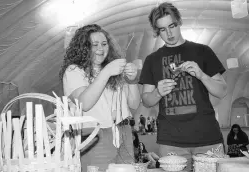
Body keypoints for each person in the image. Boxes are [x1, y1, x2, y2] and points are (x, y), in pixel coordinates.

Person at [139, 2, 227, 171]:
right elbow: (146, 100)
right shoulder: (152, 60)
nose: (169, 33)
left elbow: (222, 91)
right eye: (163, 29)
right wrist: (158, 92)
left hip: (208, 137)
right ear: (157, 32)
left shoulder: (202, 51)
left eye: (171, 26)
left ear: (179, 22)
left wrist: (201, 75)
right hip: (171, 142)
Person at [60, 24, 140, 171]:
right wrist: (107, 72)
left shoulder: (115, 69)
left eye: (104, 44)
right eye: (94, 45)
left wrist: (132, 80)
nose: (100, 49)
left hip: (123, 131)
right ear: (83, 47)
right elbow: (84, 103)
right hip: (94, 135)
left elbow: (134, 104)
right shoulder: (74, 71)